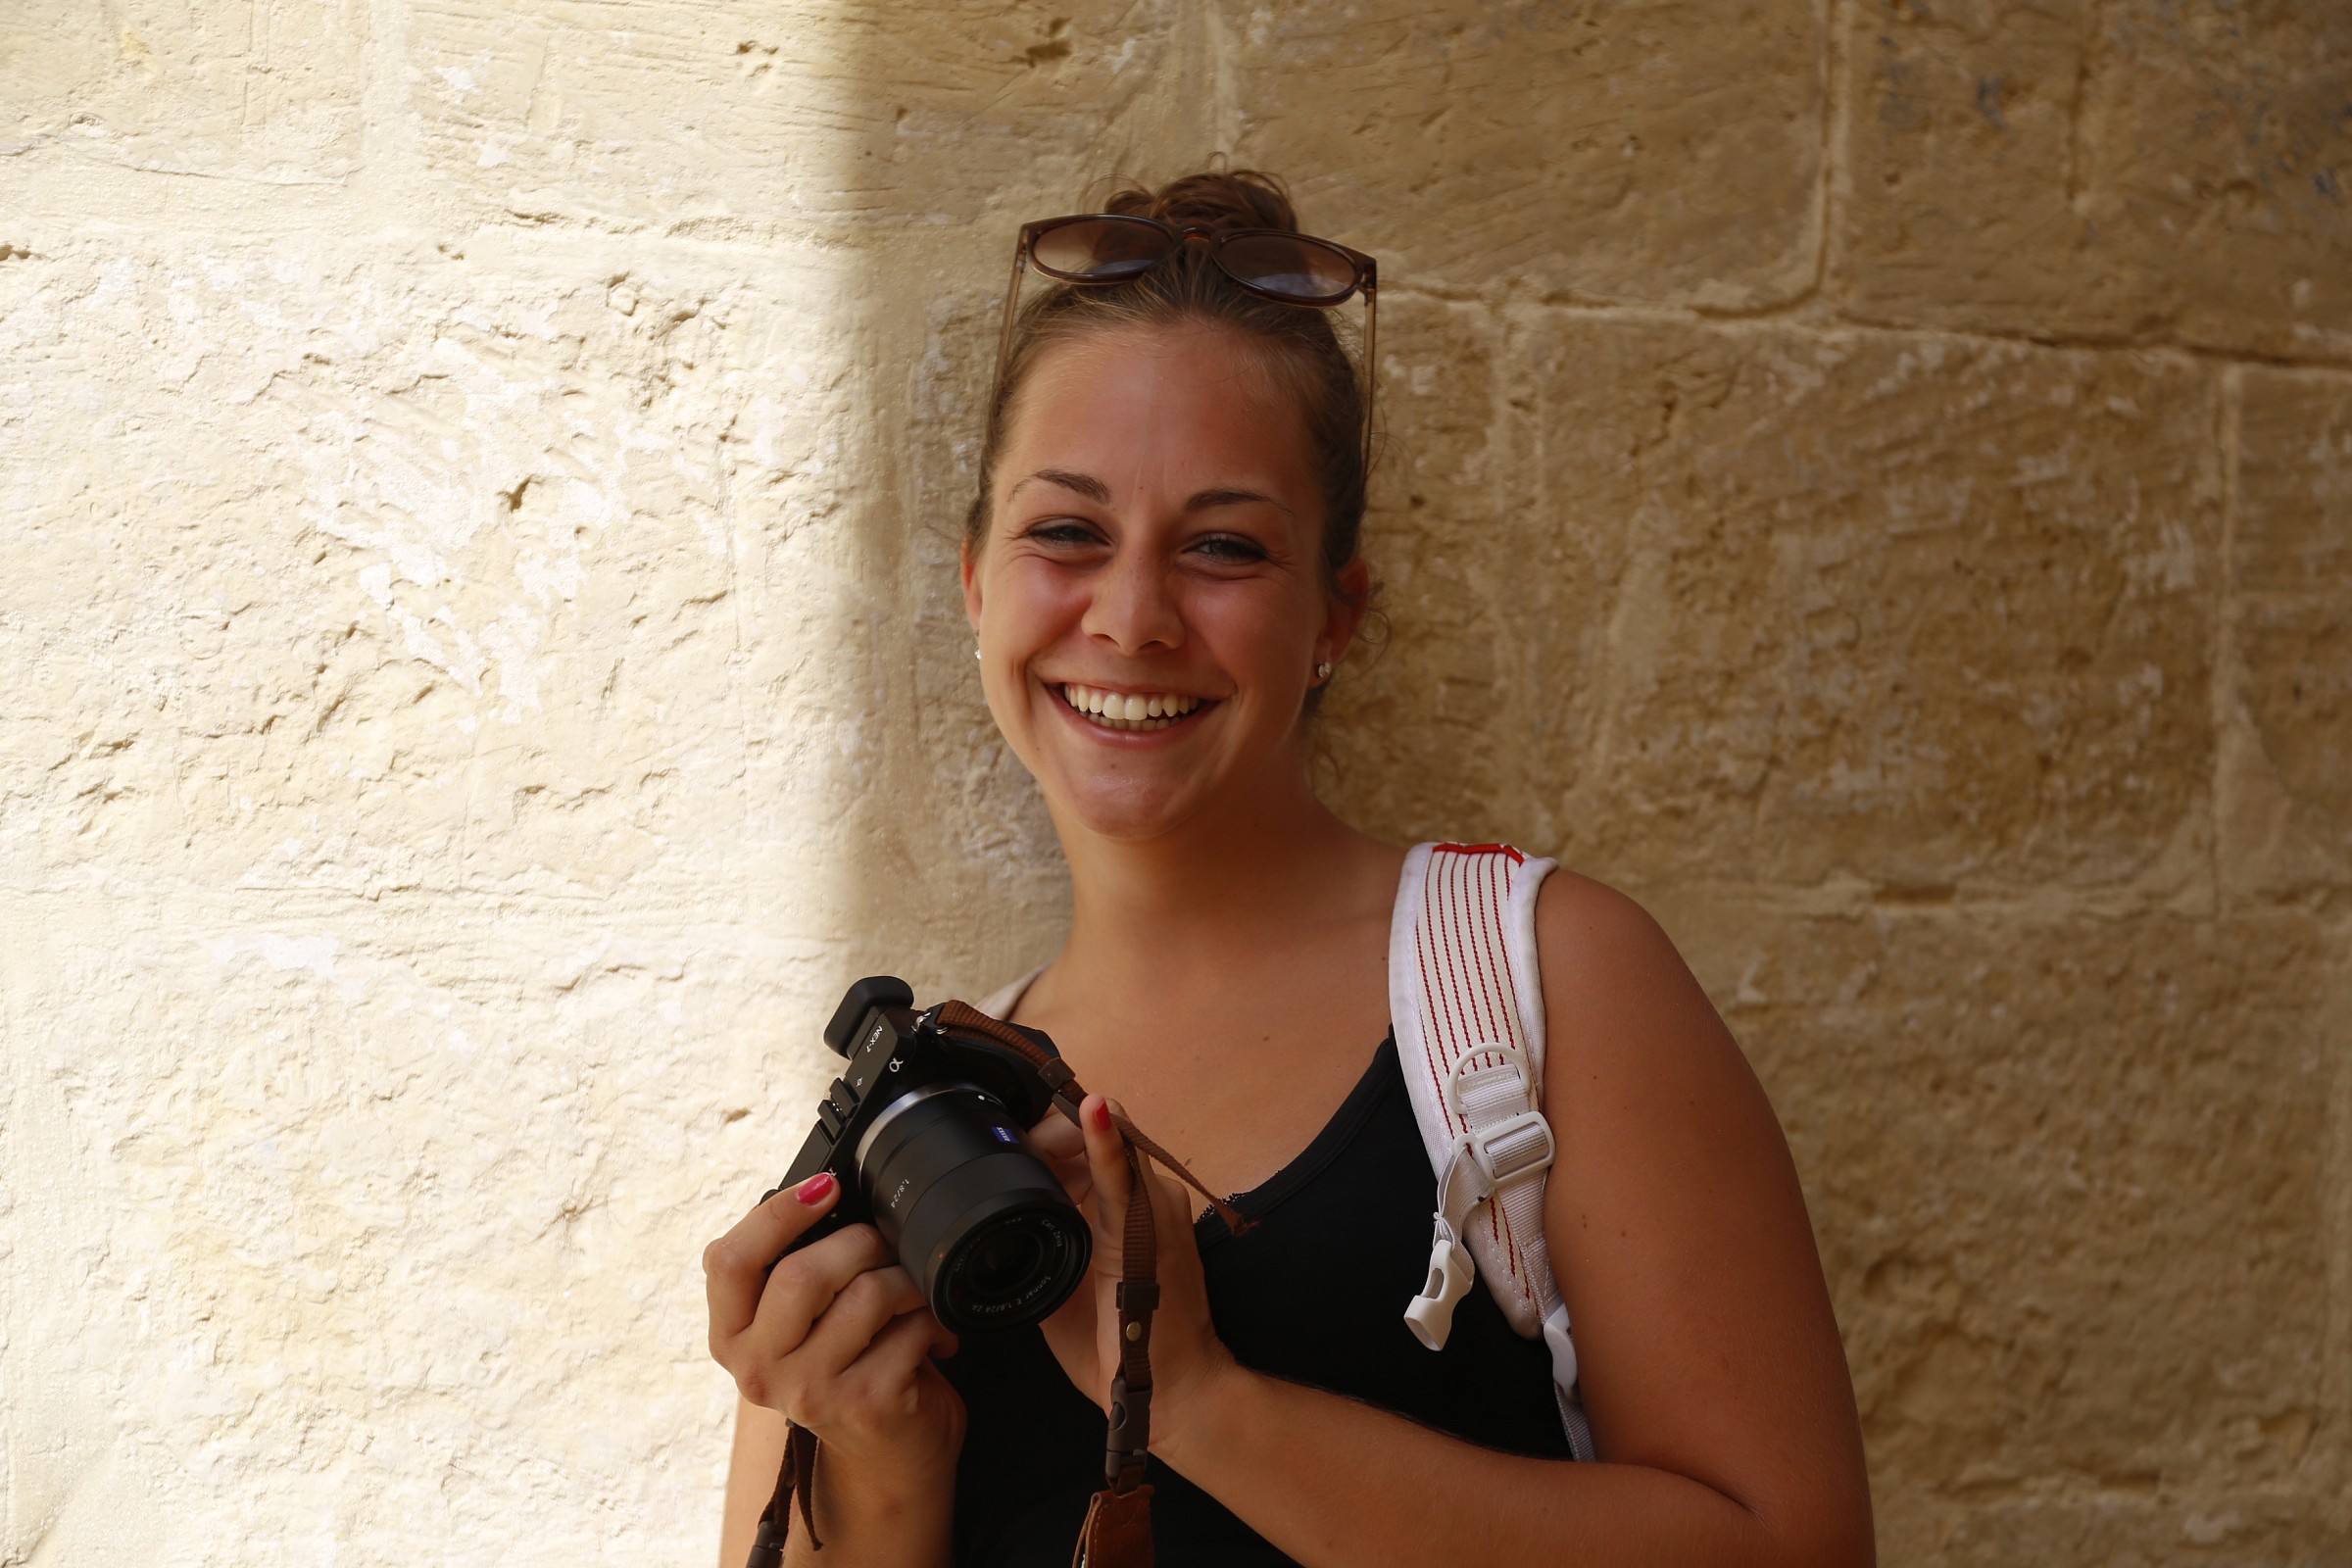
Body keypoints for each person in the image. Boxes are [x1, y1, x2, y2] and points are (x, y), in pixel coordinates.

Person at [703, 170, 1874, 1568]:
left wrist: (1201, 1404)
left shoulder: (1539, 982)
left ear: (1337, 614)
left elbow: (1798, 1549)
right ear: (975, 583)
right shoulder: (928, 1123)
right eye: (1067, 533)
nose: (1131, 617)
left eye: (1223, 548)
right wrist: (885, 1468)